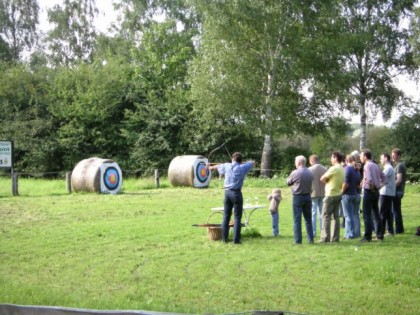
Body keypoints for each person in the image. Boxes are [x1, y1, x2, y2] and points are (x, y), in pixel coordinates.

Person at [206, 152, 255, 244]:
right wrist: (244, 163)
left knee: (226, 216)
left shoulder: (227, 165)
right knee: (237, 218)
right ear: (240, 161)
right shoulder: (243, 167)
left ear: (232, 159)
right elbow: (252, 162)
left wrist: (209, 167)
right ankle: (236, 240)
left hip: (227, 193)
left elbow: (216, 167)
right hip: (236, 194)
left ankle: (224, 239)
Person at [360, 149, 387, 242]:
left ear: (365, 157)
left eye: (361, 156)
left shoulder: (367, 166)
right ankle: (380, 235)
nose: (360, 158)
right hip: (376, 192)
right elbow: (385, 178)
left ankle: (367, 237)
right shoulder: (376, 165)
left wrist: (368, 185)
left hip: (369, 191)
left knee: (366, 214)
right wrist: (379, 186)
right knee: (376, 213)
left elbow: (369, 179)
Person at [286, 155, 314, 244]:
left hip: (297, 197)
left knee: (297, 220)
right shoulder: (310, 172)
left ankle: (298, 240)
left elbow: (288, 182)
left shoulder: (295, 172)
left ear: (298, 163)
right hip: (308, 196)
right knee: (308, 219)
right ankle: (310, 239)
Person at [319, 151, 345, 243]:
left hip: (330, 194)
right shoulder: (342, 168)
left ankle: (325, 237)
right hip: (338, 193)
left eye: (331, 157)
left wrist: (327, 181)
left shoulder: (333, 168)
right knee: (336, 217)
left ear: (335, 158)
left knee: (325, 216)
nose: (331, 159)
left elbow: (322, 178)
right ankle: (335, 238)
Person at [341, 154, 361, 239]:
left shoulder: (347, 169)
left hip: (348, 195)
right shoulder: (357, 170)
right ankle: (357, 233)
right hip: (356, 194)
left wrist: (341, 191)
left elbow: (346, 183)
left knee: (347, 215)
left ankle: (350, 234)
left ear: (346, 160)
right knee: (355, 215)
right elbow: (358, 184)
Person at [308, 155, 327, 238]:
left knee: (313, 213)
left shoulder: (309, 170)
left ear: (311, 161)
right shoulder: (325, 169)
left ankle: (313, 232)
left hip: (313, 193)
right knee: (321, 213)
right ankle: (322, 230)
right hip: (323, 193)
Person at [379, 153, 395, 236]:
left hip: (386, 193)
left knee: (383, 212)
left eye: (381, 158)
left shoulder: (388, 168)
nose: (380, 160)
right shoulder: (389, 168)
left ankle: (381, 232)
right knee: (388, 212)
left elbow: (381, 178)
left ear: (386, 158)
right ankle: (390, 231)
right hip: (388, 193)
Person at [391, 148, 406, 234]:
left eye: (394, 155)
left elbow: (399, 180)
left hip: (397, 191)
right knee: (396, 210)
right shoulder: (398, 165)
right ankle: (399, 229)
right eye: (392, 155)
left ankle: (399, 229)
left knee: (396, 210)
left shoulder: (399, 165)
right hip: (397, 191)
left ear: (399, 156)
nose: (392, 157)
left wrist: (391, 187)